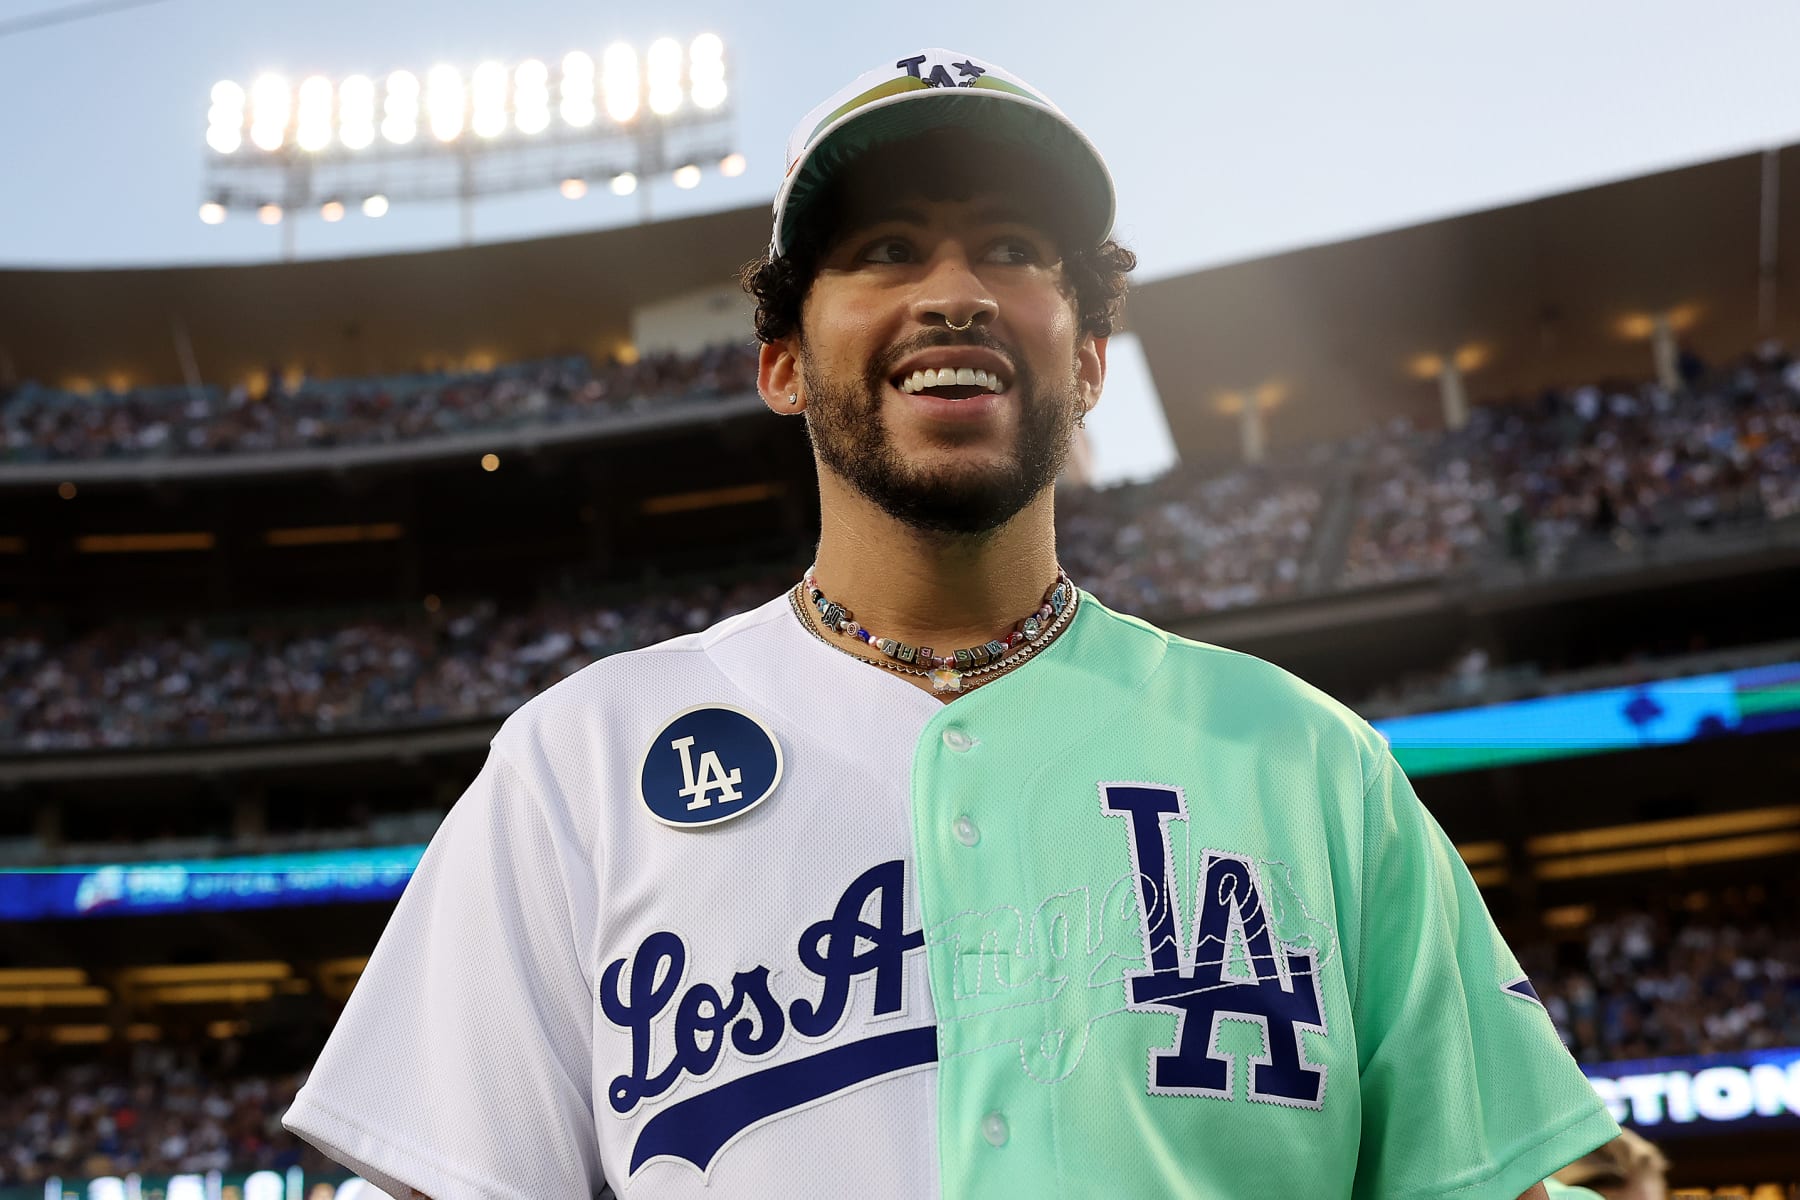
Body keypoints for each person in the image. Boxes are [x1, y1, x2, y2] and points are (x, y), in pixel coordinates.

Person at [281, 49, 1620, 1198]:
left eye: (1017, 250)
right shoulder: (578, 764)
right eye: (884, 250)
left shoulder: (1315, 766)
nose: (957, 289)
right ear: (783, 362)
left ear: (1087, 356)